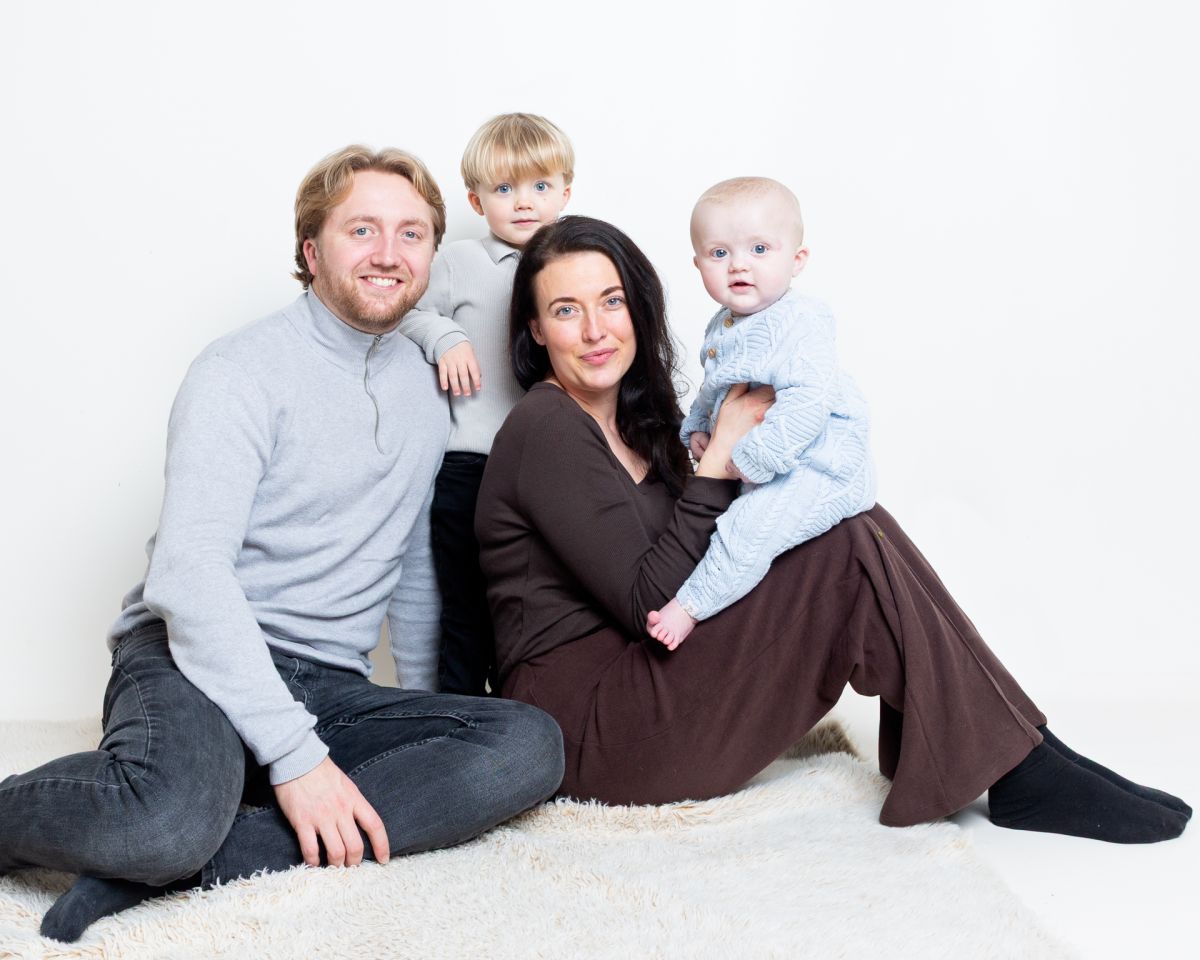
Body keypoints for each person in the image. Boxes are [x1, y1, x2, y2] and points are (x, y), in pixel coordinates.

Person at [476, 214, 1190, 845]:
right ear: (536, 331)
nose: (596, 330)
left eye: (611, 301)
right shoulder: (545, 428)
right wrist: (719, 461)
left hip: (647, 677)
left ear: (638, 309)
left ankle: (1024, 749)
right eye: (566, 310)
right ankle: (1018, 762)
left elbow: (708, 550)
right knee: (845, 548)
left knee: (844, 518)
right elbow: (646, 600)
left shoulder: (643, 421)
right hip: (593, 730)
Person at [0, 145, 564, 943]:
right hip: (192, 658)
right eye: (361, 230)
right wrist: (297, 758)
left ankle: (204, 857)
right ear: (311, 250)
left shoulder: (427, 388)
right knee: (163, 820)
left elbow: (408, 568)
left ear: (433, 254)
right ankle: (142, 831)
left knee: (525, 745)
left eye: (411, 234)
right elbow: (189, 577)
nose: (388, 253)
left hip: (328, 684)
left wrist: (426, 710)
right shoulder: (240, 371)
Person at [647, 176, 875, 650]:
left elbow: (808, 401)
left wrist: (756, 458)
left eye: (759, 249)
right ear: (698, 265)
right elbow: (719, 384)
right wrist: (699, 427)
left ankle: (690, 606)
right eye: (719, 253)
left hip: (816, 464)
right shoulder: (725, 322)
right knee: (724, 520)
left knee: (747, 530)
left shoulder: (802, 321)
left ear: (797, 260)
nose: (739, 265)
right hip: (759, 459)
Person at [399, 113, 575, 696]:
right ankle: (460, 720)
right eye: (504, 188)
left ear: (565, 193)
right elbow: (404, 313)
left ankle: (528, 718)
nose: (523, 202)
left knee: (537, 603)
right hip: (472, 463)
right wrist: (444, 334)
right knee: (466, 606)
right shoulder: (458, 263)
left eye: (540, 186)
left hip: (553, 465)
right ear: (476, 201)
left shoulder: (576, 263)